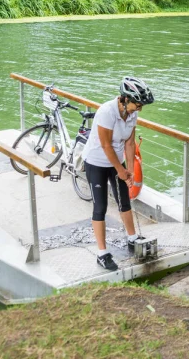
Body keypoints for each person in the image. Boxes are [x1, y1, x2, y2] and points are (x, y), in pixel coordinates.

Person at [81, 77, 155, 270]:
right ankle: (102, 253)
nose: (138, 109)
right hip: (96, 161)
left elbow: (129, 143)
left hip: (117, 161)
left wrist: (129, 170)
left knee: (124, 200)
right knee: (101, 206)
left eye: (140, 106)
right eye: (136, 105)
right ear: (124, 99)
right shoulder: (107, 112)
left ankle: (132, 238)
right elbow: (106, 145)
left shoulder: (132, 114)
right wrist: (120, 170)